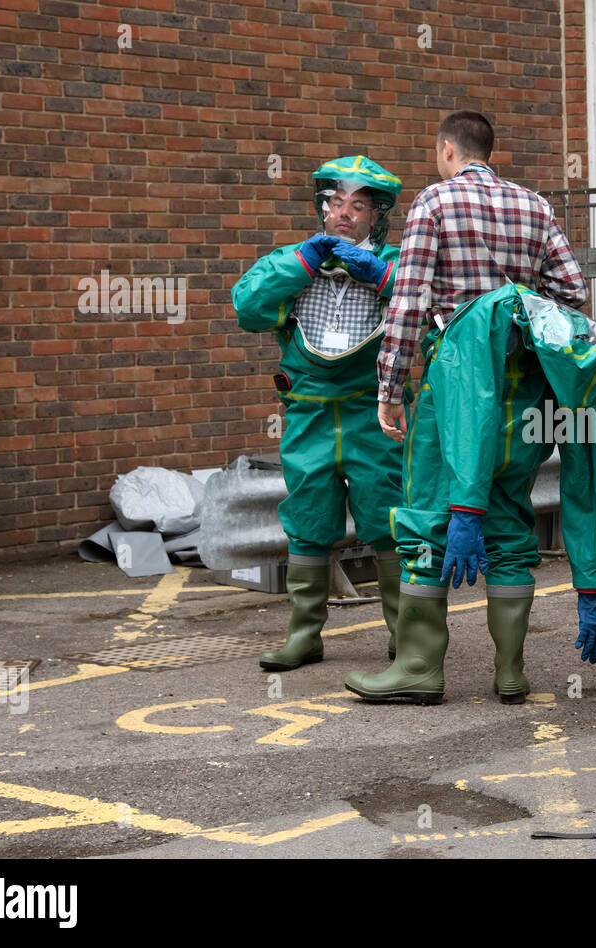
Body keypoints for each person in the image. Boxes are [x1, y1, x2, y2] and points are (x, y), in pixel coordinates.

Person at [343, 111, 596, 705]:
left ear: (447, 149)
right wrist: (512, 305)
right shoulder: (536, 207)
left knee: (429, 514)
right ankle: (510, 673)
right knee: (508, 516)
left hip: (457, 382)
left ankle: (418, 668)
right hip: (525, 389)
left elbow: (409, 299)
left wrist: (390, 389)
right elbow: (572, 294)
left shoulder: (434, 203)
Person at [232, 155, 410, 671]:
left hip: (373, 411)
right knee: (308, 521)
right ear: (321, 207)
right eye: (336, 202)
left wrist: (378, 274)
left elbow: (431, 301)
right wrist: (304, 262)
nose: (345, 213)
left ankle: (406, 638)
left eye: (359, 204)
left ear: (377, 214)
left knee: (390, 519)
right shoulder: (291, 260)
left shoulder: (397, 262)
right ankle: (304, 636)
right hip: (308, 412)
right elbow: (248, 308)